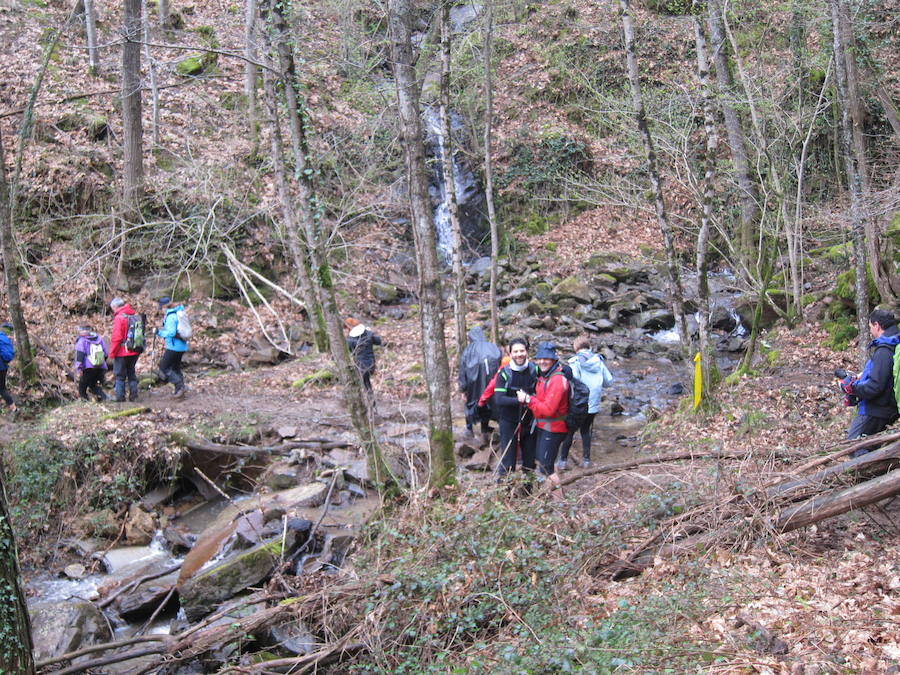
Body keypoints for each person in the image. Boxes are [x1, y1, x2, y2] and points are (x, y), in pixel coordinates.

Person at [843, 309, 900, 440]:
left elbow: (875, 387)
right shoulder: (895, 344)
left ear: (877, 326)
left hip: (877, 410)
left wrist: (852, 388)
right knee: (872, 446)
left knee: (855, 446)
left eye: (870, 327)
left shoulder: (884, 350)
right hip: (890, 407)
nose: (870, 331)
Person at [557, 336, 613, 470]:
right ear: (589, 346)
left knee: (569, 431)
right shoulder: (599, 361)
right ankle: (586, 460)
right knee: (585, 431)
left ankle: (563, 461)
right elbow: (608, 381)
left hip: (578, 404)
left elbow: (572, 380)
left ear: (576, 348)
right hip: (593, 404)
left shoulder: (575, 362)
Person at [518, 342, 569, 477]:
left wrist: (528, 399)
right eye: (539, 358)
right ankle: (551, 494)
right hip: (544, 426)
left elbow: (548, 410)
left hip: (554, 428)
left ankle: (558, 498)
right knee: (545, 464)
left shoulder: (557, 380)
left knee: (546, 467)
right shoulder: (543, 377)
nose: (542, 361)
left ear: (553, 360)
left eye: (546, 359)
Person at [489, 337, 538, 477]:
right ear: (510, 354)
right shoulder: (504, 373)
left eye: (522, 350)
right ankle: (503, 493)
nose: (519, 354)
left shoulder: (535, 370)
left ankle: (527, 492)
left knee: (529, 461)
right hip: (508, 421)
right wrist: (521, 400)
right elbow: (499, 399)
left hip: (530, 422)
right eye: (515, 351)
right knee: (508, 461)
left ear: (527, 352)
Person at [458, 326, 501, 443]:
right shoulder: (492, 347)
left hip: (473, 384)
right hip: (491, 382)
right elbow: (499, 361)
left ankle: (469, 430)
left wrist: (463, 388)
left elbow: (463, 370)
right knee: (487, 403)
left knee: (471, 404)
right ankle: (484, 430)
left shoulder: (468, 350)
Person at [109, 297, 142, 402]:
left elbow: (117, 338)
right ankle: (134, 396)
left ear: (115, 307)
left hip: (122, 352)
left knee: (120, 376)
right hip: (135, 350)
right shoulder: (133, 315)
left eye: (112, 308)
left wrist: (112, 353)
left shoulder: (119, 318)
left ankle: (120, 398)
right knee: (131, 373)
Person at [157, 297, 188, 398]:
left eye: (161, 307)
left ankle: (179, 385)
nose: (161, 309)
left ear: (165, 306)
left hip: (174, 346)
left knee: (164, 367)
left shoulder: (171, 316)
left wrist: (158, 332)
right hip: (181, 346)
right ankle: (180, 389)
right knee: (175, 368)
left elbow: (171, 333)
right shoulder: (179, 312)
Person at [345, 318, 381, 397]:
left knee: (363, 384)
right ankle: (370, 402)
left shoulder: (350, 340)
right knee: (366, 383)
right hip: (371, 364)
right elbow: (379, 341)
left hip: (360, 366)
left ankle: (366, 402)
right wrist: (370, 332)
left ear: (349, 327)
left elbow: (351, 351)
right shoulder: (368, 334)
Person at [74, 325, 108, 402]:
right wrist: (101, 363)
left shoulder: (81, 341)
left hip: (88, 367)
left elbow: (80, 356)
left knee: (82, 386)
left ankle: (84, 400)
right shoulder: (99, 338)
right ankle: (104, 398)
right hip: (100, 366)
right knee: (93, 385)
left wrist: (79, 369)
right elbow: (105, 353)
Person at [0, 322, 17, 412]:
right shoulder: (5, 339)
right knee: (2, 389)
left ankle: (13, 407)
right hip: (4, 367)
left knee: (1, 389)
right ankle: (13, 407)